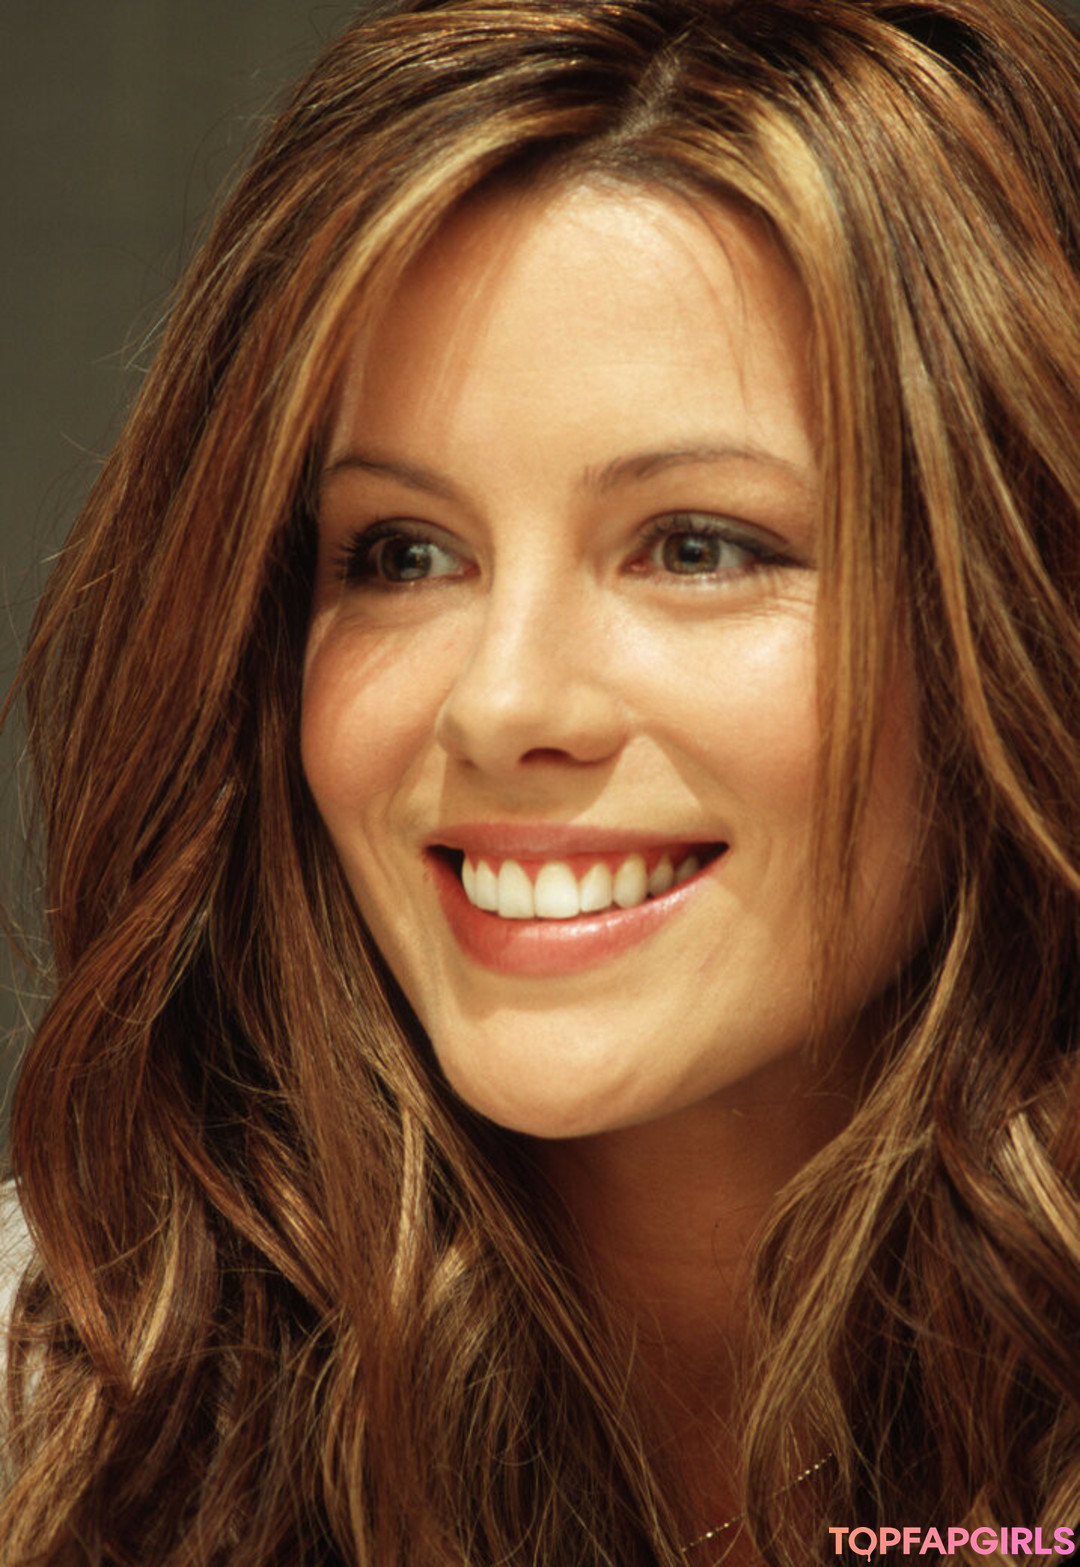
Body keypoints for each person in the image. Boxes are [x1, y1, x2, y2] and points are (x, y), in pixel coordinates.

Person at [2, 0, 1078, 1562]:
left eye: (699, 547)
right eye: (401, 554)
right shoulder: (65, 1426)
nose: (504, 705)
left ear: (1025, 607)